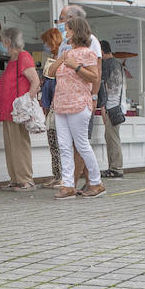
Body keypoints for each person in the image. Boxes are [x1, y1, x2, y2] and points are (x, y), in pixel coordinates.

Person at [45, 15, 103, 199]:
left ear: (75, 31)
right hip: (61, 104)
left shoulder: (88, 53)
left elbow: (94, 77)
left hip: (79, 104)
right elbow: (51, 73)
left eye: (68, 29)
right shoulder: (66, 52)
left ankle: (96, 182)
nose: (65, 32)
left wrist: (75, 66)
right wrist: (62, 58)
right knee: (64, 146)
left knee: (81, 144)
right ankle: (68, 184)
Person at [0, 26, 40, 189]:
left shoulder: (24, 57)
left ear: (8, 41)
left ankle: (25, 178)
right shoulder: (12, 60)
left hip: (18, 110)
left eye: (3, 41)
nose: (2, 44)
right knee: (11, 145)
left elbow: (35, 81)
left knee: (20, 144)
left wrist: (26, 100)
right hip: (8, 110)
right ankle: (15, 178)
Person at [97, 40, 126, 178]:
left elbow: (105, 87)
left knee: (112, 138)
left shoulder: (107, 65)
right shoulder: (118, 64)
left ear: (102, 51)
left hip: (111, 107)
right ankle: (114, 167)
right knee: (113, 137)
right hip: (118, 106)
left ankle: (115, 168)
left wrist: (103, 106)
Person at [38, 27, 63, 186]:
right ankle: (59, 175)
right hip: (55, 106)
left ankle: (59, 176)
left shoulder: (57, 61)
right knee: (56, 144)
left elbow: (51, 85)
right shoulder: (57, 59)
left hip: (56, 108)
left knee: (56, 144)